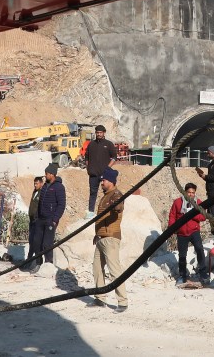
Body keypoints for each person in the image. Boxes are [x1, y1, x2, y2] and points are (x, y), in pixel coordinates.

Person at [91, 167, 127, 311]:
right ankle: (100, 298)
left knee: (114, 270)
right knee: (97, 268)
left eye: (104, 180)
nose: (101, 183)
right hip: (101, 238)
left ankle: (123, 301)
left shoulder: (116, 194)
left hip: (111, 238)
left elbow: (119, 207)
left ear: (111, 181)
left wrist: (117, 206)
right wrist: (97, 234)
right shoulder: (106, 195)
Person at [168, 182, 208, 286]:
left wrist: (192, 214)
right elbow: (172, 215)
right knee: (182, 255)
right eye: (189, 192)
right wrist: (171, 229)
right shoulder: (177, 202)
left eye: (193, 192)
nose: (191, 194)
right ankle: (182, 276)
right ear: (185, 192)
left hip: (194, 231)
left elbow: (203, 216)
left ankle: (203, 273)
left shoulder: (198, 203)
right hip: (182, 233)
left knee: (199, 249)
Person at [30, 163, 66, 273]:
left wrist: (55, 220)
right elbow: (40, 202)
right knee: (36, 242)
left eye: (47, 174)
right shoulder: (45, 186)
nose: (45, 176)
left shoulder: (59, 187)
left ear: (52, 174)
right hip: (40, 219)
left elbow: (61, 204)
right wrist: (37, 216)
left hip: (50, 220)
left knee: (47, 244)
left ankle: (48, 264)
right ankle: (38, 263)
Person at [85, 124, 117, 218]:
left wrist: (108, 168)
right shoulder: (91, 144)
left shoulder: (109, 144)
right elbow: (86, 157)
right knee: (92, 193)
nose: (99, 134)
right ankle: (91, 213)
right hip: (93, 174)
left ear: (104, 133)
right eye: (97, 132)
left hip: (105, 175)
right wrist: (88, 167)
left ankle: (106, 212)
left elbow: (114, 157)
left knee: (107, 193)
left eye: (100, 132)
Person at [196, 145, 214, 241]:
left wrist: (206, 176)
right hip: (211, 191)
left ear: (213, 153)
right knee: (211, 213)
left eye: (208, 152)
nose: (207, 154)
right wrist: (204, 177)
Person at [24, 175, 44, 270]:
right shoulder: (35, 192)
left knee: (37, 243)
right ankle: (29, 260)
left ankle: (38, 262)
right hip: (32, 220)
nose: (35, 185)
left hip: (38, 221)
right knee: (31, 241)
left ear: (41, 183)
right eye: (34, 183)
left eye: (37, 183)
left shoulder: (42, 193)